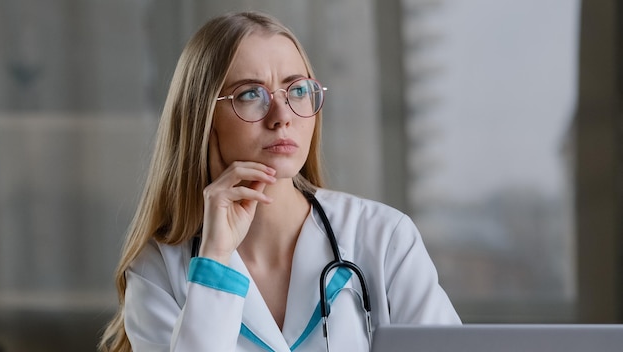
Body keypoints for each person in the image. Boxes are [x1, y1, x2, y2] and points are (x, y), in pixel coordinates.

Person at [99, 11, 460, 352]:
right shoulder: (157, 269)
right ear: (202, 118)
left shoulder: (384, 238)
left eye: (298, 90)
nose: (282, 116)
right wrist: (215, 261)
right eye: (251, 94)